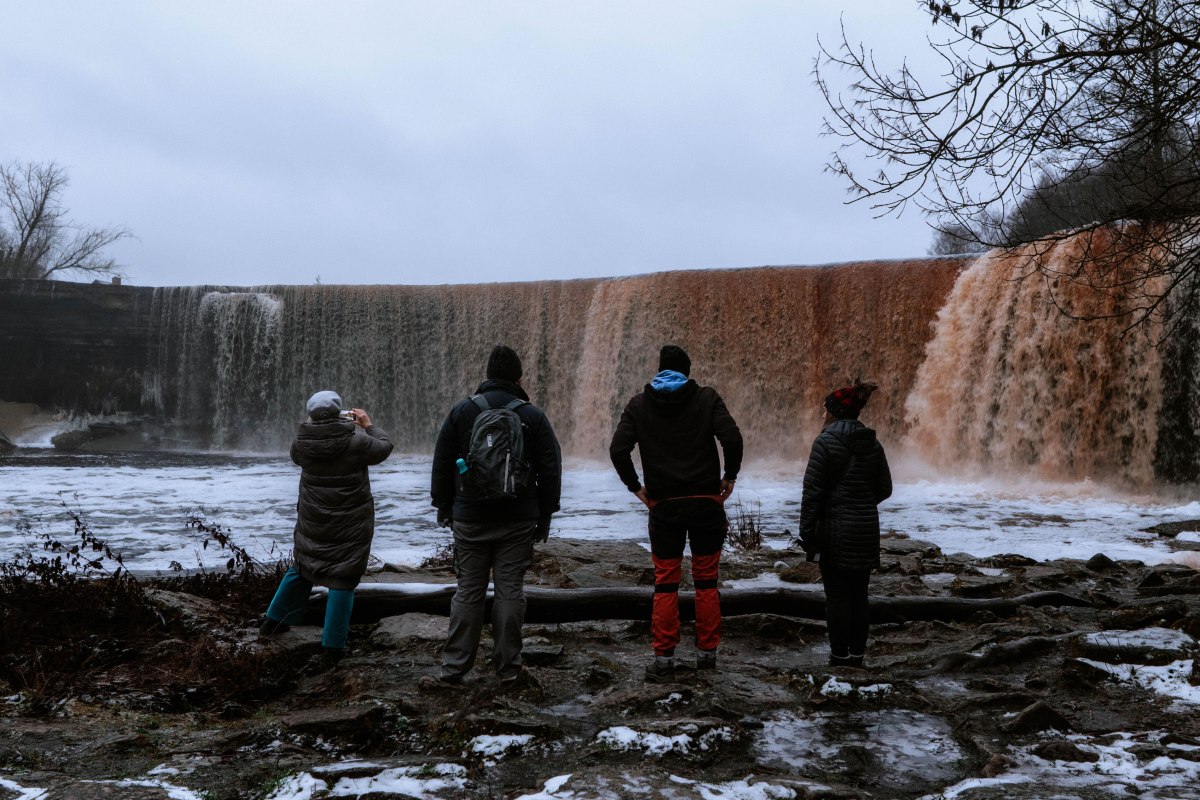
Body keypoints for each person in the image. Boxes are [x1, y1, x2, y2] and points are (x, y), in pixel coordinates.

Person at [429, 345, 562, 685]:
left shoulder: (463, 411)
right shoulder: (532, 416)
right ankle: (508, 668)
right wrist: (545, 515)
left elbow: (442, 461)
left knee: (468, 591)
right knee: (509, 592)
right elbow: (550, 468)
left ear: (487, 376)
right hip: (517, 519)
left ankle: (454, 668)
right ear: (518, 378)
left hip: (470, 517)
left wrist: (444, 506)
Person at [609, 344, 743, 680]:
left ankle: (664, 660)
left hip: (664, 507)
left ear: (660, 369)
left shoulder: (639, 405)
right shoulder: (706, 398)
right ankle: (707, 657)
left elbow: (617, 449)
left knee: (666, 584)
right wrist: (729, 476)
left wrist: (635, 487)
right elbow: (733, 439)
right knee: (706, 582)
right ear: (687, 370)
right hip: (705, 504)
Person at [259, 390, 394, 666]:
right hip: (350, 522)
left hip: (313, 519)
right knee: (342, 578)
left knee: (303, 566)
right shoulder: (357, 440)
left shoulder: (301, 442)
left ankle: (273, 621)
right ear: (339, 413)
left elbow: (298, 457)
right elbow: (384, 447)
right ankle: (333, 647)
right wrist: (368, 425)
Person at [799, 380, 893, 669]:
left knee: (837, 596)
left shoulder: (825, 442)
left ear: (835, 412)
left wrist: (807, 532)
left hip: (834, 531)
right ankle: (857, 657)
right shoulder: (873, 443)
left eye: (827, 409)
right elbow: (885, 488)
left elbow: (812, 493)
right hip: (865, 530)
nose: (824, 414)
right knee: (859, 595)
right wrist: (861, 505)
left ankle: (839, 656)